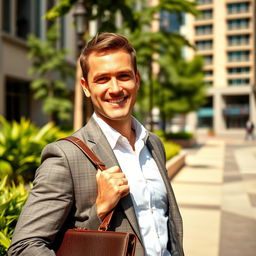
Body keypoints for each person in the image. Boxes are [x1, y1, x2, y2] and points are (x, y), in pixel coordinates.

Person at [8, 33, 184, 256]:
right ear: (86, 87)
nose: (115, 88)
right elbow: (24, 247)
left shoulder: (153, 144)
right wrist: (99, 210)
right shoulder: (65, 156)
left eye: (123, 76)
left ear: (137, 80)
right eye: (102, 79)